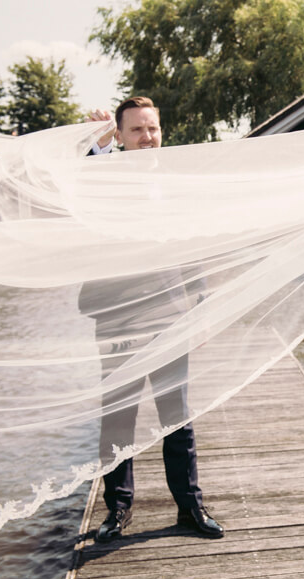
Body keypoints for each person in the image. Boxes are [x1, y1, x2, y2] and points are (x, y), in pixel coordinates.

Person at [82, 97, 224, 543]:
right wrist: (96, 146)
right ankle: (118, 511)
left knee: (177, 421)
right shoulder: (103, 178)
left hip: (169, 318)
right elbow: (84, 181)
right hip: (118, 321)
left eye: (153, 129)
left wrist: (200, 312)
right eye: (137, 131)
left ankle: (190, 508)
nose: (147, 138)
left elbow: (190, 253)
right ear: (120, 137)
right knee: (118, 420)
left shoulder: (175, 186)